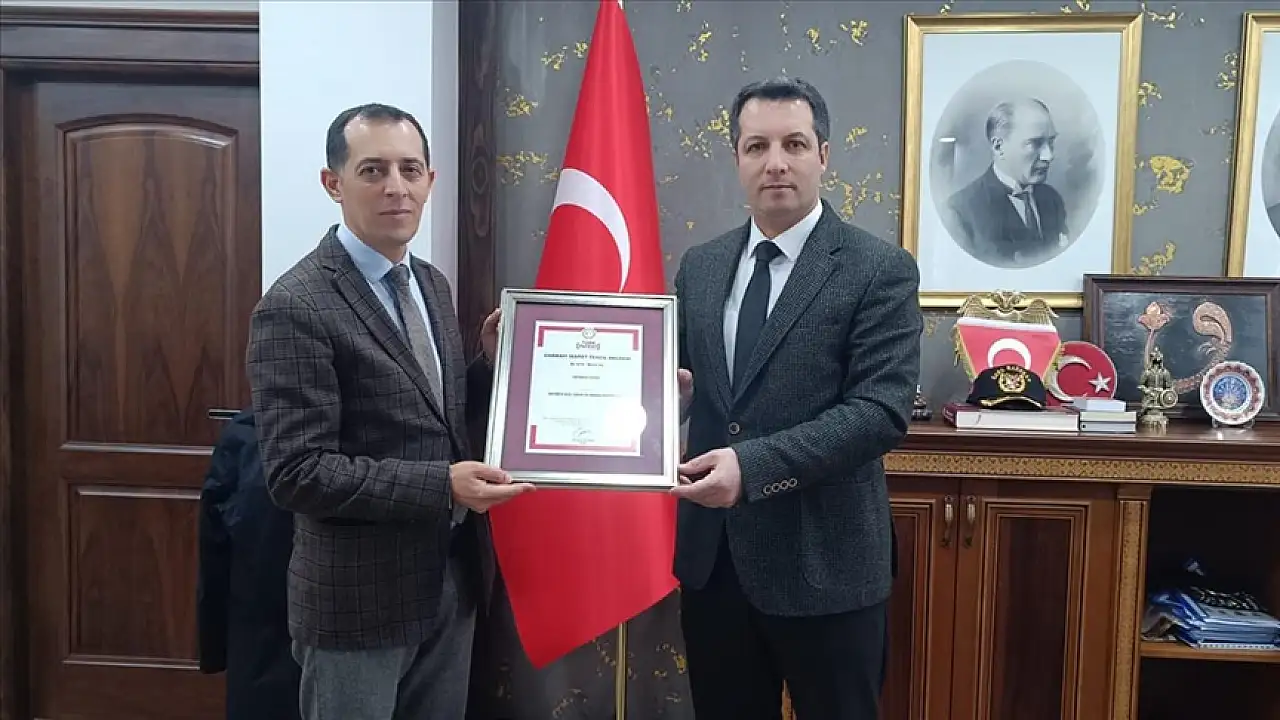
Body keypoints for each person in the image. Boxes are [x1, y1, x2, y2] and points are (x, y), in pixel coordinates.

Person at [246, 102, 534, 720]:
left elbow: (436, 416)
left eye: (410, 169)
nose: (396, 187)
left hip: (449, 581)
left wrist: (489, 366)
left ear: (431, 180)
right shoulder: (296, 305)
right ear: (333, 183)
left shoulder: (430, 283)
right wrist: (443, 485)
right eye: (373, 170)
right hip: (357, 603)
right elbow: (298, 472)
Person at [670, 77, 923, 719]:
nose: (775, 162)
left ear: (824, 155)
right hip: (716, 564)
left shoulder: (878, 268)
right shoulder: (701, 267)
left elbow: (880, 412)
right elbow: (684, 383)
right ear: (736, 158)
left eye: (794, 144)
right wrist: (664, 399)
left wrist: (752, 468)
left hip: (828, 567)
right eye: (757, 146)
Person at [945, 97, 1069, 268]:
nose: (1048, 156)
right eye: (1034, 143)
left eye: (1051, 142)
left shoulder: (1052, 200)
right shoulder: (960, 211)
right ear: (998, 147)